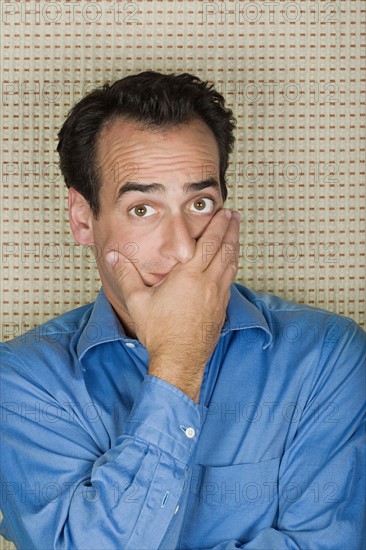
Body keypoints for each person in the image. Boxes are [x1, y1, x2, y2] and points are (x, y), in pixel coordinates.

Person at [0, 71, 365, 550]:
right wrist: (178, 364)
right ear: (83, 218)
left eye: (199, 202)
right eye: (141, 209)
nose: (180, 248)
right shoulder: (22, 381)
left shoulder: (326, 357)